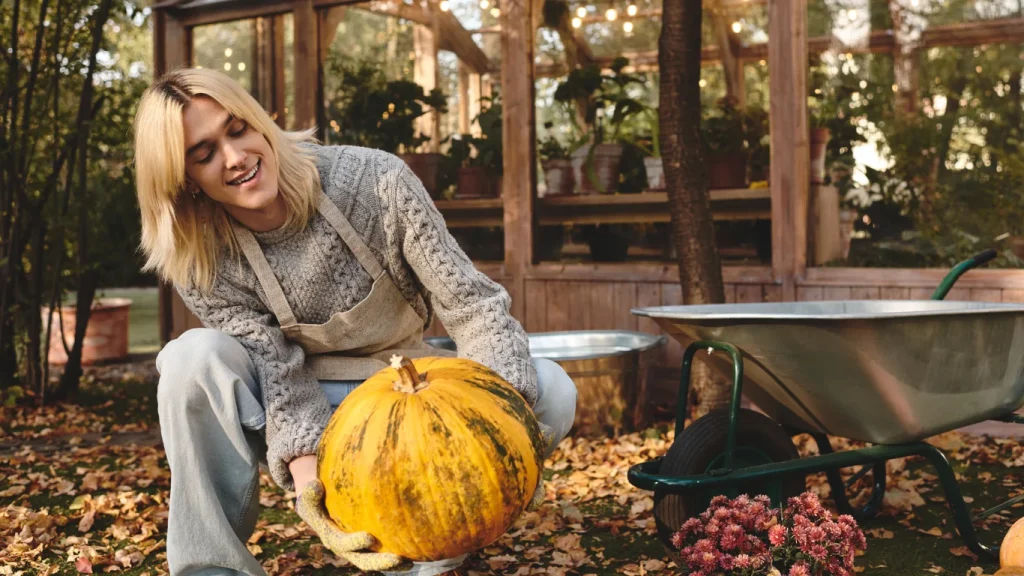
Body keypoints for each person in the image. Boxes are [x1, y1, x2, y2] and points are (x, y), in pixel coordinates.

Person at [133, 68, 577, 576]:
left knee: (552, 388)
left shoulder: (375, 183)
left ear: (259, 124)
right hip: (299, 409)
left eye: (237, 130)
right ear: (182, 178)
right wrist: (311, 488)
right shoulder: (202, 257)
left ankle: (433, 550)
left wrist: (503, 429)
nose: (235, 159)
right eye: (204, 154)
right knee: (191, 358)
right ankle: (211, 568)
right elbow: (278, 371)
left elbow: (471, 304)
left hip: (403, 384)